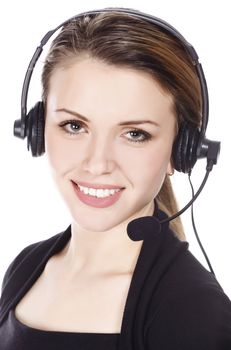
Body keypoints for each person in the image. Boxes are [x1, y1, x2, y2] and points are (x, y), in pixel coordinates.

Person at [0, 7, 231, 349]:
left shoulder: (194, 312)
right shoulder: (26, 266)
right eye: (74, 126)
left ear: (180, 151)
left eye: (135, 133)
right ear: (36, 131)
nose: (97, 163)